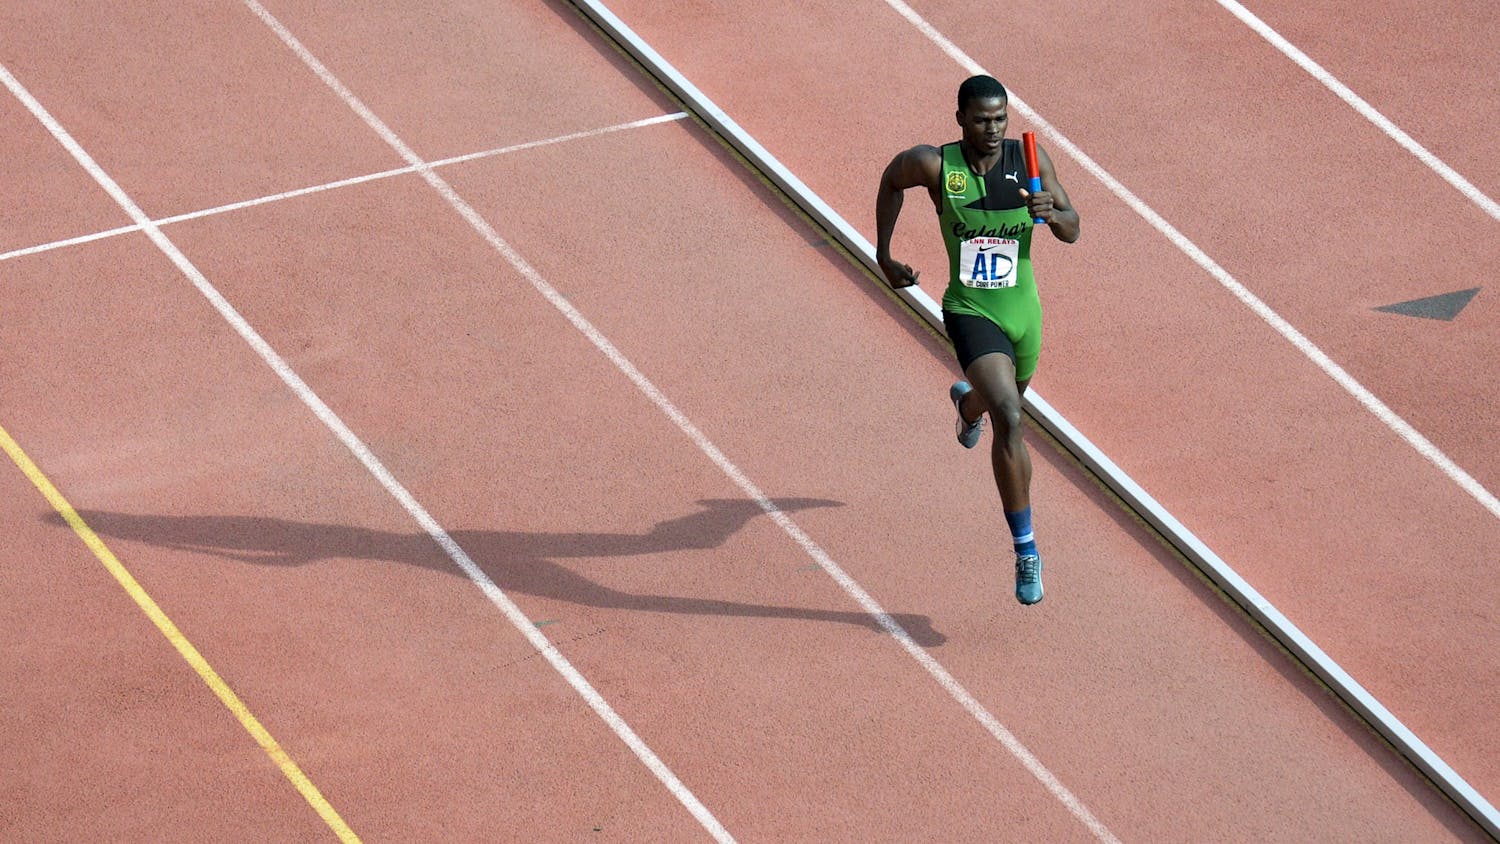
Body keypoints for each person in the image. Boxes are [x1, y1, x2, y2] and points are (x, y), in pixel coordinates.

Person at [875, 74, 1079, 605]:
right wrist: (884, 254)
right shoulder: (936, 165)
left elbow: (1074, 227)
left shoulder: (1030, 163)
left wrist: (1052, 213)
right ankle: (1026, 549)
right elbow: (891, 180)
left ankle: (969, 406)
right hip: (970, 308)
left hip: (1024, 313)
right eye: (983, 119)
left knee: (998, 402)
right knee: (1011, 417)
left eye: (1001, 119)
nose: (993, 129)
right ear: (961, 118)